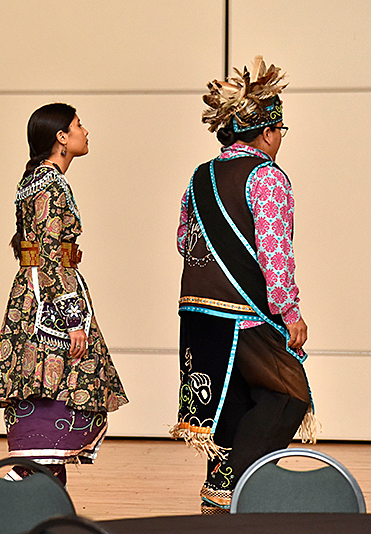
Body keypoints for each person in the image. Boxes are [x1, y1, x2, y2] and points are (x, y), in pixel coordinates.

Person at [171, 56, 317, 514]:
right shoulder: (266, 176)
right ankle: (231, 489)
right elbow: (276, 253)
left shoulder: (199, 176)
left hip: (197, 308)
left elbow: (183, 240)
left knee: (233, 403)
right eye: (280, 131)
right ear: (269, 132)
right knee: (288, 396)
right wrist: (289, 312)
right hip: (245, 311)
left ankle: (220, 499)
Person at [0, 103, 128, 486]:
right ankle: (29, 486)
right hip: (49, 297)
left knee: (43, 382)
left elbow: (36, 246)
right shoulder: (51, 184)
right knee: (60, 382)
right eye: (79, 125)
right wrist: (70, 318)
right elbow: (49, 254)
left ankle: (37, 487)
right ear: (61, 138)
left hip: (33, 293)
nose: (86, 131)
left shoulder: (33, 181)